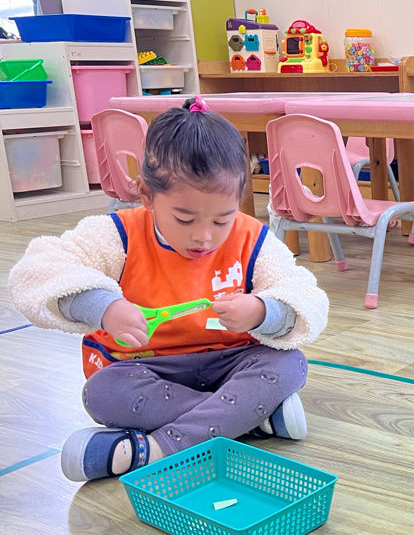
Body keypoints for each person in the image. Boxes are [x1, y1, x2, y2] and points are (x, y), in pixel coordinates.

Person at [10, 98, 329, 482]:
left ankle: (155, 450)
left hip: (229, 364)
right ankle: (252, 418)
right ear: (146, 194)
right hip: (143, 368)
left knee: (290, 363)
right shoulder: (117, 235)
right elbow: (37, 271)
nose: (204, 236)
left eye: (222, 220)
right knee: (103, 393)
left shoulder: (253, 238)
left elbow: (304, 295)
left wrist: (263, 311)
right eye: (184, 218)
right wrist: (103, 306)